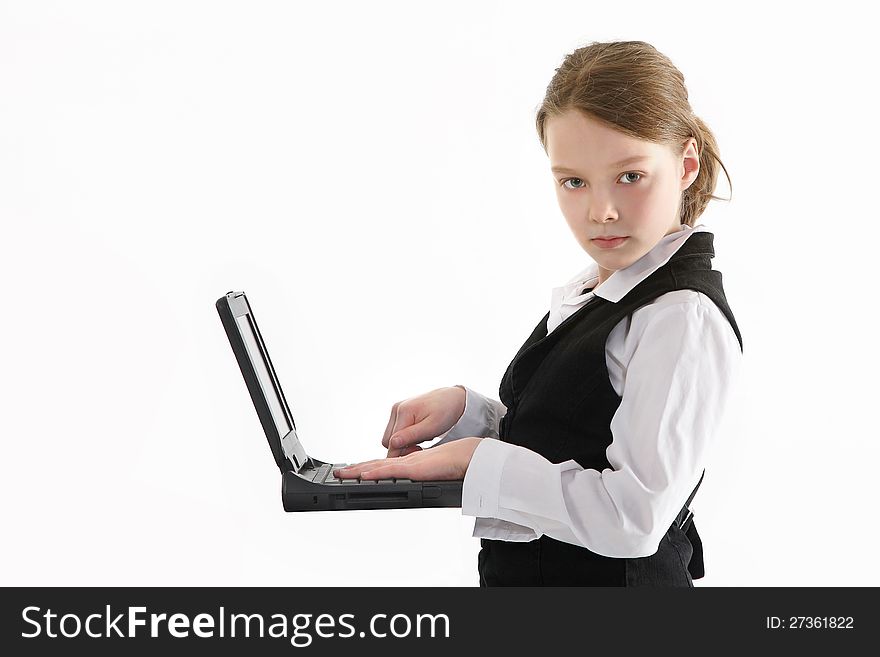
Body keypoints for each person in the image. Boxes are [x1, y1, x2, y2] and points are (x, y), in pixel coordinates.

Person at [334, 40, 743, 587]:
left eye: (630, 175)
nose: (601, 211)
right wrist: (469, 415)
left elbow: (633, 518)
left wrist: (477, 460)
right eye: (573, 181)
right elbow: (576, 443)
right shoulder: (603, 289)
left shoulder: (678, 315)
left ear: (685, 164)